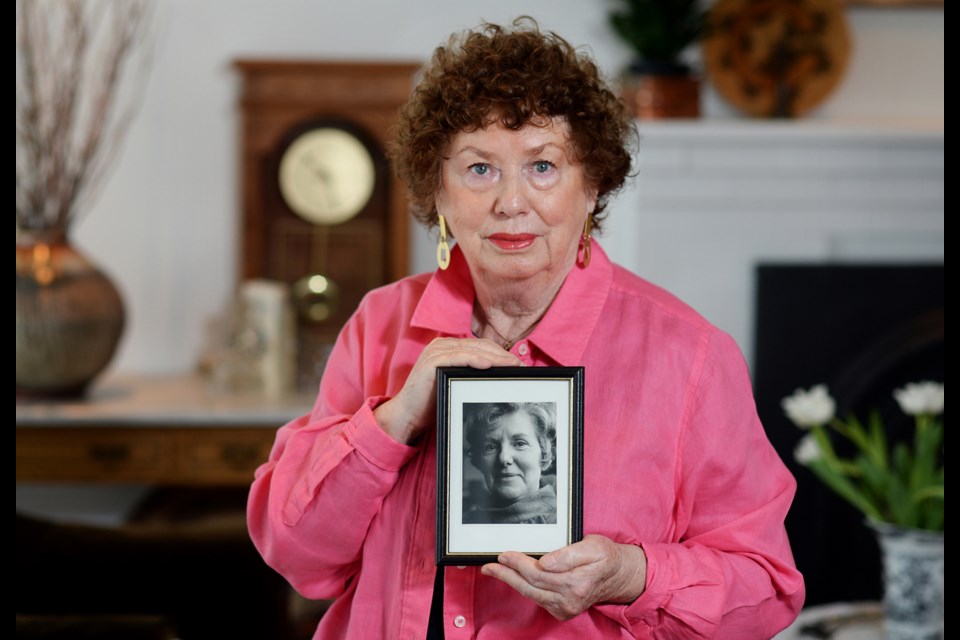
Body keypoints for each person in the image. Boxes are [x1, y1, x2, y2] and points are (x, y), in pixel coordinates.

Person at [248, 17, 805, 639]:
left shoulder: (690, 356)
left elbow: (767, 588)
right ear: (439, 191)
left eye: (543, 167)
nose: (511, 202)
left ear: (591, 184)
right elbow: (295, 555)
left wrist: (633, 573)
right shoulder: (380, 326)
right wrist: (394, 420)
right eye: (480, 169)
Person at [462, 402, 557, 524]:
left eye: (520, 443)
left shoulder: (564, 523)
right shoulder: (465, 523)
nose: (504, 458)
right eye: (490, 446)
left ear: (544, 452)